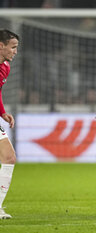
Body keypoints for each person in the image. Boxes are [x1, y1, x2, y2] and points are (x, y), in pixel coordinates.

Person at [0, 29, 19, 219]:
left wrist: (2, 112)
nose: (15, 52)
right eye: (13, 47)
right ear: (1, 45)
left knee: (9, 157)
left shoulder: (5, 67)